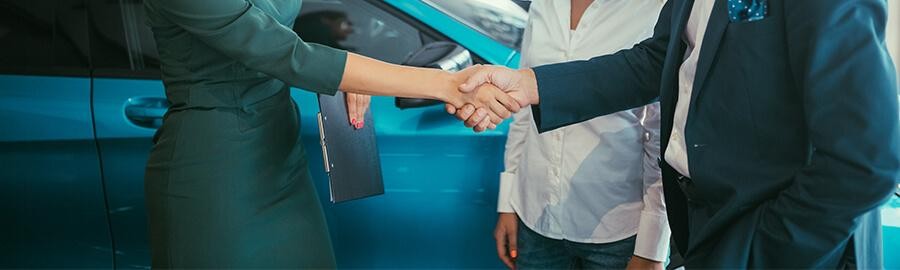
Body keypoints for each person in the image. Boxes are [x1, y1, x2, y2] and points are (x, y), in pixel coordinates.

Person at [450, 0, 900, 268]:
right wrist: (532, 85)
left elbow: (866, 162)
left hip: (768, 237)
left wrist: (755, 255)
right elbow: (658, 59)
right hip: (702, 223)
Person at [142, 0, 519, 268]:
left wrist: (352, 76)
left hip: (281, 158)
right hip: (216, 170)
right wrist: (446, 84)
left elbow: (289, 32)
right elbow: (289, 55)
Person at [485, 0, 669, 269]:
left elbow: (662, 135)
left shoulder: (656, 9)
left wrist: (651, 249)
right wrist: (509, 202)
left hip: (617, 232)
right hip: (536, 219)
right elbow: (523, 110)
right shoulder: (545, 4)